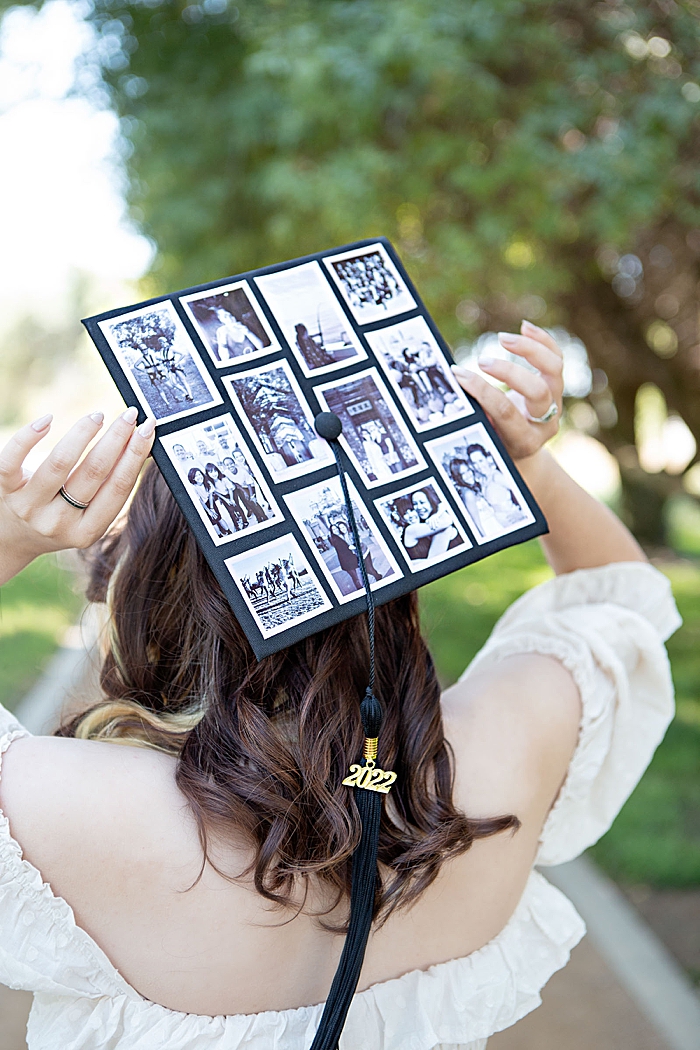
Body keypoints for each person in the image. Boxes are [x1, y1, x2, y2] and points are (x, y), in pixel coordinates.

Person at [0, 322, 680, 1050]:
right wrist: (525, 463)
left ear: (158, 575)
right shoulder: (507, 748)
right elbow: (621, 599)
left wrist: (10, 541)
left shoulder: (64, 804)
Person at [400, 488, 460, 561]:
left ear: (431, 502)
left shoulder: (429, 521)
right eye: (415, 504)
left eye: (422, 502)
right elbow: (447, 521)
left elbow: (442, 507)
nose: (419, 507)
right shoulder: (410, 529)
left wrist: (436, 515)